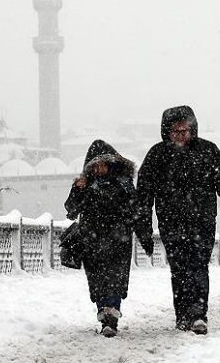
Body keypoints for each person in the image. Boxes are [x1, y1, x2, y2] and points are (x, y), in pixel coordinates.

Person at [136, 106, 220, 335]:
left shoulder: (207, 151)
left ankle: (198, 314)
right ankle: (182, 315)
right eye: (176, 131)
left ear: (192, 130)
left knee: (198, 266)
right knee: (179, 269)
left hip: (202, 221)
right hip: (171, 223)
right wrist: (143, 225)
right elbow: (143, 193)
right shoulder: (157, 155)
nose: (181, 135)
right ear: (167, 132)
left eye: (185, 130)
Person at [64, 140, 154, 338]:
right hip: (92, 241)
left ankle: (111, 318)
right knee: (97, 282)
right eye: (95, 165)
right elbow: (71, 210)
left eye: (103, 163)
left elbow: (137, 213)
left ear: (112, 163)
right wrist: (77, 190)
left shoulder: (124, 184)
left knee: (114, 280)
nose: (99, 168)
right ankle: (104, 314)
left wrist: (145, 237)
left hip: (118, 241)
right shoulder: (85, 185)